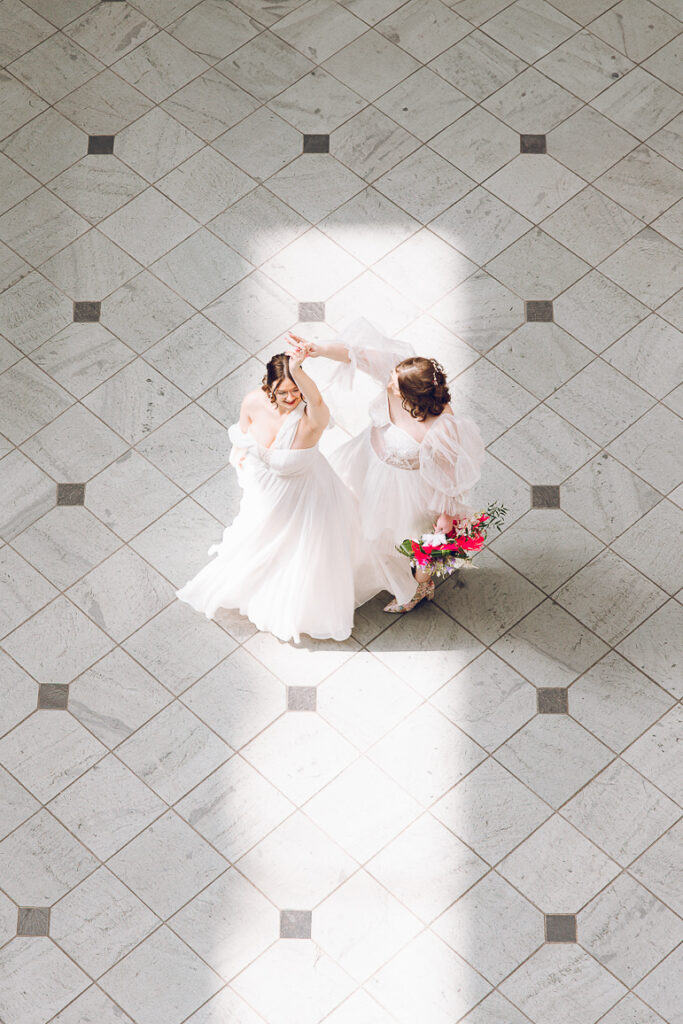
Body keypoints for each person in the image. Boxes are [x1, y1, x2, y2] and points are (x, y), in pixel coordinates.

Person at [176, 344, 372, 643]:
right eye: (283, 393)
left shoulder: (313, 416)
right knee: (257, 544)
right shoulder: (253, 402)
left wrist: (296, 369)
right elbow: (242, 435)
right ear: (268, 389)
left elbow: (315, 397)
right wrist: (243, 458)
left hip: (307, 496)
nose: (292, 398)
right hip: (266, 492)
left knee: (303, 555)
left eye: (296, 390)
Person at [289, 319, 485, 613]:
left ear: (412, 396)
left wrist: (446, 515)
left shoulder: (443, 427)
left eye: (393, 383)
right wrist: (317, 349)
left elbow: (450, 472)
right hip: (366, 459)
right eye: (392, 377)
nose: (388, 381)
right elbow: (360, 355)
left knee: (399, 534)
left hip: (406, 487)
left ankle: (419, 585)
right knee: (348, 510)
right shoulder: (402, 371)